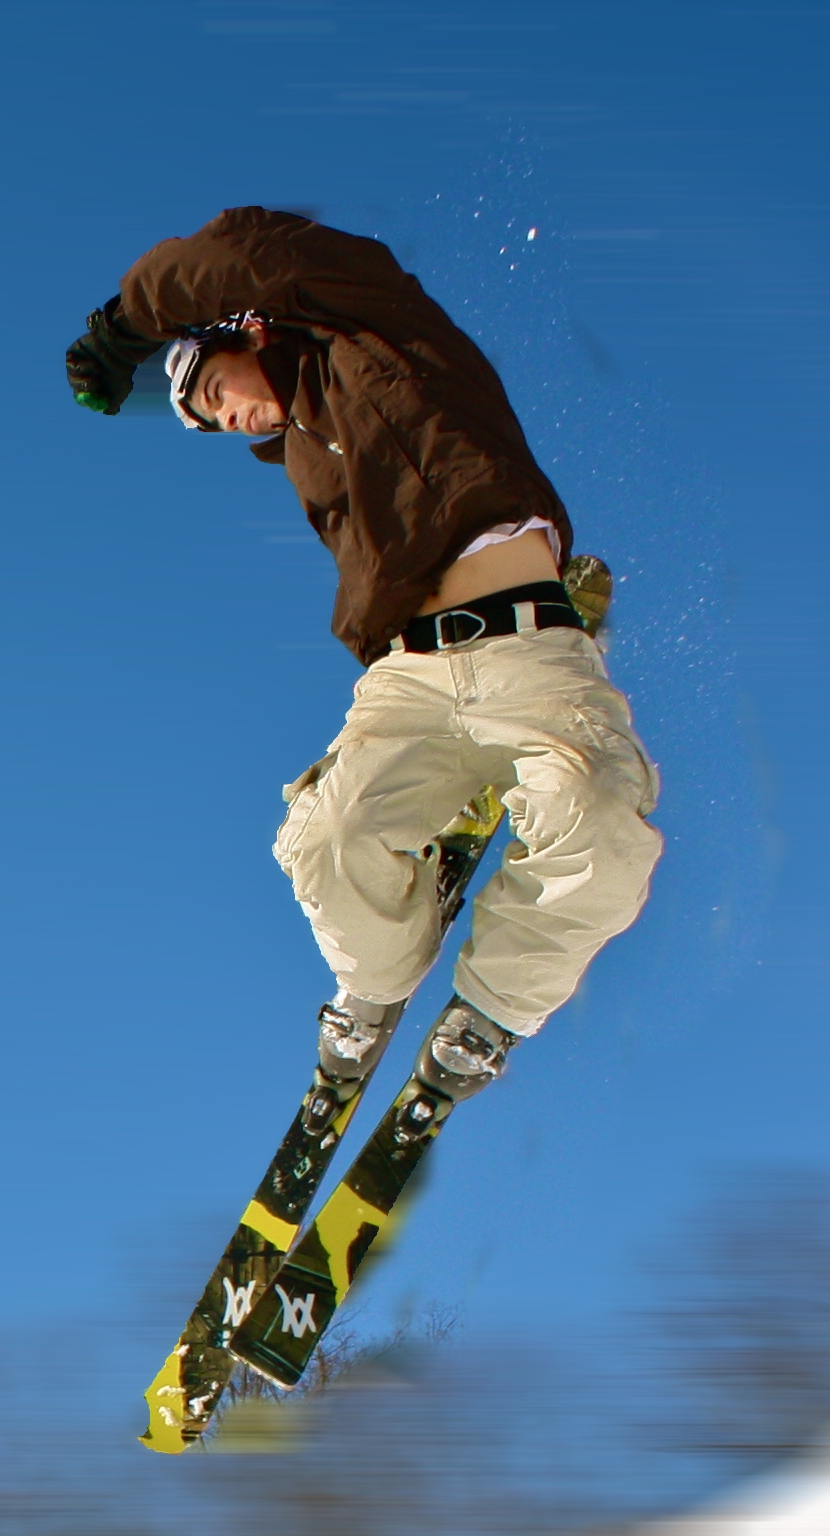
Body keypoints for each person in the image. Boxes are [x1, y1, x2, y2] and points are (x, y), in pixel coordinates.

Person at [64, 207, 661, 1100]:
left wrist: (123, 327)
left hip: (525, 646)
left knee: (599, 814)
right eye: (209, 420)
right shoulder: (307, 453)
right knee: (325, 840)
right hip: (408, 675)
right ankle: (373, 988)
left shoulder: (370, 323)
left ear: (249, 330)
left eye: (214, 391)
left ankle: (493, 1007)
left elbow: (248, 252)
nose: (225, 418)